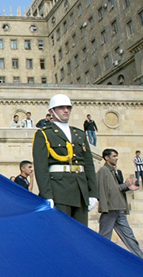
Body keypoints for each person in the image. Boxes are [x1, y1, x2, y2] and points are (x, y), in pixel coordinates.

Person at [32, 94, 98, 226]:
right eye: (61, 108)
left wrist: (93, 193)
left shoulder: (79, 134)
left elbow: (89, 165)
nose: (66, 110)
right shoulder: (44, 134)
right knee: (62, 232)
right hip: (59, 191)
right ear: (51, 111)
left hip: (80, 190)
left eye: (68, 107)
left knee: (81, 234)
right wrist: (47, 195)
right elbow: (41, 168)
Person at [97, 148, 143, 266]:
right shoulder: (103, 171)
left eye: (117, 156)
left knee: (129, 236)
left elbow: (117, 189)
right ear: (106, 158)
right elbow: (106, 190)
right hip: (111, 208)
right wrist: (125, 186)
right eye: (114, 156)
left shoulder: (115, 171)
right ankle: (97, 261)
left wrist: (127, 186)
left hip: (119, 207)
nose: (116, 158)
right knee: (104, 237)